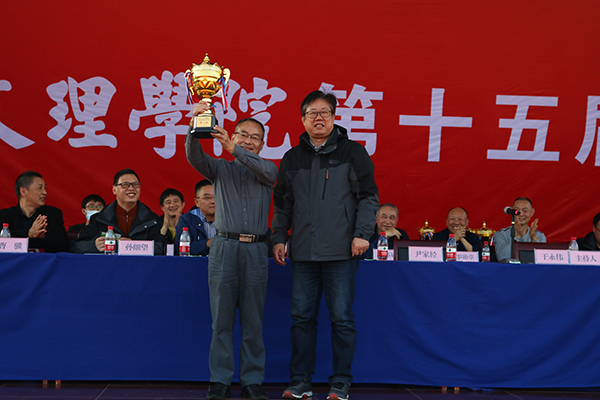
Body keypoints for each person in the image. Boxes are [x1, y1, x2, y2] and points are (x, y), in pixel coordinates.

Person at [272, 90, 379, 400]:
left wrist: (362, 233)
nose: (318, 118)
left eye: (324, 112)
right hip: (303, 252)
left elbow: (368, 197)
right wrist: (279, 237)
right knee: (301, 318)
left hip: (343, 251)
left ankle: (341, 381)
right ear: (303, 119)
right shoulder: (292, 157)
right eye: (312, 113)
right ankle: (300, 381)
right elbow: (282, 204)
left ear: (334, 117)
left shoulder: (353, 152)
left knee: (341, 319)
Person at [186, 101, 277, 400]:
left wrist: (232, 148)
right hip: (224, 247)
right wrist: (195, 125)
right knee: (221, 321)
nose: (249, 141)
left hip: (256, 250)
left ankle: (252, 381)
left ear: (262, 144)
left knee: (253, 322)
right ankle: (220, 381)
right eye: (243, 135)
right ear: (234, 135)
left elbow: (265, 170)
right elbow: (194, 156)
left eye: (255, 137)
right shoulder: (219, 168)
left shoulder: (267, 169)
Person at [72, 169, 164, 255]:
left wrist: (133, 246)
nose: (131, 188)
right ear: (114, 190)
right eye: (125, 185)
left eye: (135, 184)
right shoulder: (99, 218)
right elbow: (76, 247)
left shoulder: (152, 219)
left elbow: (162, 248)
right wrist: (94, 246)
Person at [0, 171, 69, 253]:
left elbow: (64, 246)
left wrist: (44, 236)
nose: (45, 192)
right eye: (40, 188)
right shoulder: (4, 215)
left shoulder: (53, 214)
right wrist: (28, 233)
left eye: (45, 188)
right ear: (23, 191)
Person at [494, 197, 546, 262]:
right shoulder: (501, 234)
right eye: (517, 211)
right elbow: (502, 257)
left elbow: (543, 259)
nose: (521, 214)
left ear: (532, 212)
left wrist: (534, 240)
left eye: (525, 211)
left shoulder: (539, 236)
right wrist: (518, 237)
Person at [174, 179, 216, 256]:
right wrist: (207, 243)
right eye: (207, 198)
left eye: (216, 197)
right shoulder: (187, 220)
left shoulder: (229, 220)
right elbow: (179, 249)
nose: (213, 201)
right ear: (197, 202)